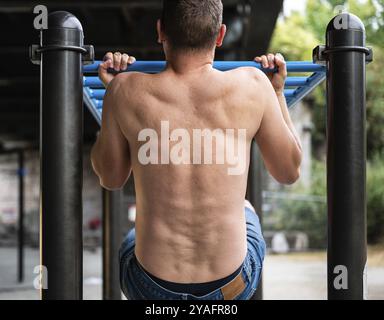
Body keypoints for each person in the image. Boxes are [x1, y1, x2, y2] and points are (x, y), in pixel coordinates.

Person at [91, 0, 302, 300]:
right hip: (230, 288)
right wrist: (277, 93)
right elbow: (289, 171)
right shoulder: (255, 86)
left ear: (160, 31)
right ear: (220, 35)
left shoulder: (124, 90)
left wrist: (113, 101)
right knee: (246, 209)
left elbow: (110, 178)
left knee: (133, 236)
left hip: (149, 288)